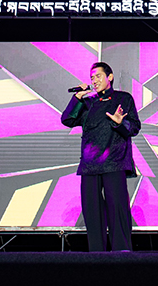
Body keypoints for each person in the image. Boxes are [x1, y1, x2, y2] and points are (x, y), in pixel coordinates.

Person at [61, 61, 140, 252]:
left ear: (109, 77)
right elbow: (67, 119)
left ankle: (122, 253)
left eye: (98, 76)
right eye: (92, 77)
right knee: (92, 213)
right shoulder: (88, 102)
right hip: (90, 164)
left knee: (118, 210)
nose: (94, 80)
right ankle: (96, 255)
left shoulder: (123, 98)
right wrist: (77, 98)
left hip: (114, 162)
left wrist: (120, 122)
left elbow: (134, 127)